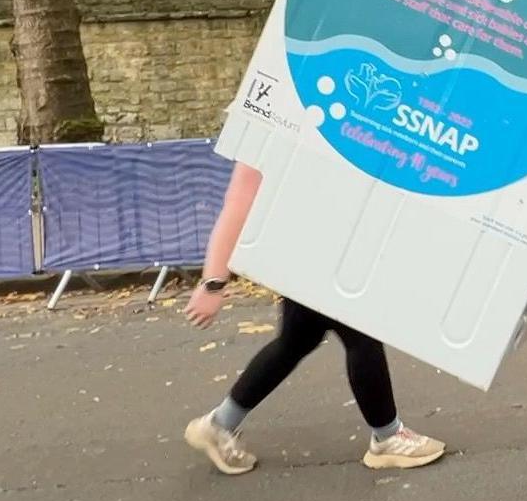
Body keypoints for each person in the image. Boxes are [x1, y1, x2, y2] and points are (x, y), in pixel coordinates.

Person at [182, 162, 446, 475]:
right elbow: (241, 198)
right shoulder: (273, 117)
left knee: (296, 341)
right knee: (360, 333)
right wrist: (213, 282)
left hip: (320, 248)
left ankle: (219, 424)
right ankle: (388, 436)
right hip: (314, 254)